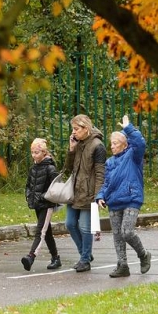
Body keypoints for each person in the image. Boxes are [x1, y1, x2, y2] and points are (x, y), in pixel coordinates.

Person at [96, 115, 152, 277]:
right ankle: (122, 265)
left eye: (115, 143)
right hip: (113, 201)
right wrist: (100, 196)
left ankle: (143, 255)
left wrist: (128, 128)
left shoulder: (134, 156)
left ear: (124, 145)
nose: (112, 146)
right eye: (111, 143)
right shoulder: (110, 162)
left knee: (127, 232)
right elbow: (106, 182)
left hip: (131, 199)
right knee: (117, 235)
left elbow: (140, 142)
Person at [64, 114, 106, 272]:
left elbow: (100, 174)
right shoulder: (78, 143)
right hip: (74, 191)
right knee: (69, 224)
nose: (73, 132)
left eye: (76, 129)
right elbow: (68, 169)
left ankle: (85, 260)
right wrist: (71, 149)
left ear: (86, 128)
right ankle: (85, 254)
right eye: (72, 129)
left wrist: (98, 196)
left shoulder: (98, 146)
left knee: (84, 226)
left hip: (89, 193)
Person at [21, 138, 62, 271]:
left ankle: (31, 256)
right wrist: (29, 196)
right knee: (47, 231)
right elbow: (28, 185)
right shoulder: (33, 168)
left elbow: (55, 188)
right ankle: (56, 258)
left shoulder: (50, 168)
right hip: (36, 204)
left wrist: (43, 197)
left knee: (41, 232)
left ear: (44, 152)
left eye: (37, 152)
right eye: (32, 152)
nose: (34, 155)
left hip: (47, 205)